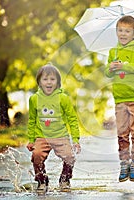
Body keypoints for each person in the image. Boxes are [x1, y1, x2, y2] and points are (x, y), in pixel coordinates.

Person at [104, 15, 134, 182]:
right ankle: (124, 162)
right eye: (120, 30)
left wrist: (124, 66)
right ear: (116, 32)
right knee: (122, 133)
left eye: (127, 31)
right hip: (120, 99)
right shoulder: (113, 51)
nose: (123, 34)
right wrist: (111, 67)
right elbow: (107, 72)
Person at [26, 63, 81, 194]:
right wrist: (31, 139)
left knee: (70, 156)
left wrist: (76, 139)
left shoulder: (63, 98)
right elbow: (32, 120)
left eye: (52, 79)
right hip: (41, 136)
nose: (49, 82)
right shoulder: (34, 99)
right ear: (39, 82)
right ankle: (42, 180)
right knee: (36, 155)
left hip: (60, 135)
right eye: (45, 79)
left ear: (58, 82)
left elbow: (72, 119)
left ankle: (65, 179)